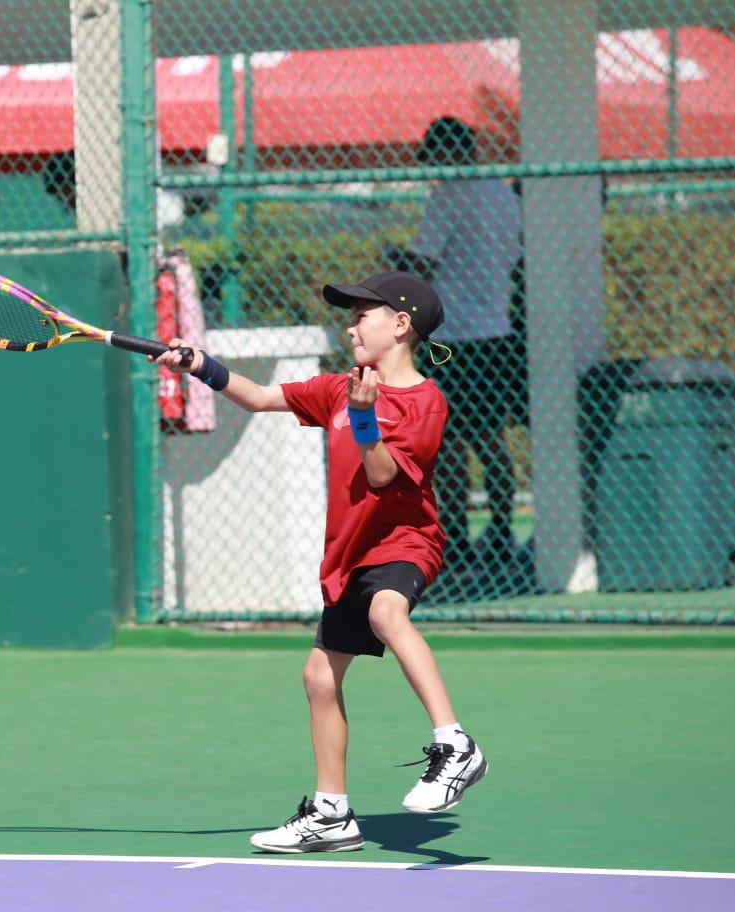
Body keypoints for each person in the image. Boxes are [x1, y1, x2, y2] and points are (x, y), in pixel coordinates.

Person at [156, 270, 488, 853]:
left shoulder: (425, 402)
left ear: (401, 325)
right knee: (318, 677)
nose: (350, 324)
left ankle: (455, 744)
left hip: (405, 538)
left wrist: (364, 417)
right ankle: (332, 813)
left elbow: (384, 477)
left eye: (363, 314)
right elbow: (260, 397)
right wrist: (200, 365)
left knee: (388, 612)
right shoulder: (339, 387)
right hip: (350, 553)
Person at [386, 117, 523, 575]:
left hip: (455, 334)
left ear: (448, 154)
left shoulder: (447, 196)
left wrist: (393, 259)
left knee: (449, 441)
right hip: (496, 330)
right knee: (491, 438)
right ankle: (502, 532)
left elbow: (423, 260)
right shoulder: (502, 193)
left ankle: (460, 539)